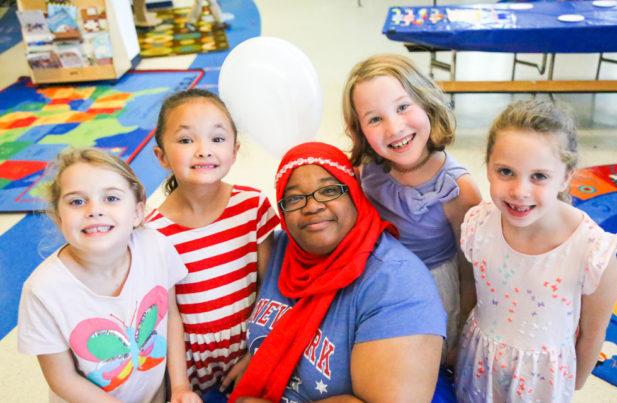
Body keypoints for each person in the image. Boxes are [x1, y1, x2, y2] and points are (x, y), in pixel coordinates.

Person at [223, 142, 447, 403]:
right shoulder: (281, 249)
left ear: (353, 193)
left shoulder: (395, 281)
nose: (312, 206)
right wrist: (262, 354)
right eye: (294, 197)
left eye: (329, 190)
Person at [455, 99, 617, 402]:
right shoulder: (478, 225)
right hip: (479, 362)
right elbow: (469, 287)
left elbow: (592, 334)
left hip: (541, 382)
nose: (520, 190)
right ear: (488, 165)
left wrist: (570, 385)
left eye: (539, 176)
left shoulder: (593, 252)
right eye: (505, 171)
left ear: (567, 176)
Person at [17, 147, 200, 403]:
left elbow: (170, 316)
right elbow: (62, 379)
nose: (94, 210)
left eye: (111, 198)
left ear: (137, 212)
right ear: (59, 219)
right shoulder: (43, 291)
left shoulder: (155, 246)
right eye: (77, 201)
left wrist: (180, 386)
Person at [342, 53, 482, 367]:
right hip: (378, 283)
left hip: (431, 292)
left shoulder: (458, 188)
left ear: (427, 103)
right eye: (374, 119)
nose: (394, 128)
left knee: (420, 367)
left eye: (403, 107)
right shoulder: (366, 169)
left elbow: (471, 271)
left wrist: (462, 331)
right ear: (360, 130)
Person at [146, 89, 279, 398]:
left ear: (234, 151)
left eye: (217, 139)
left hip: (253, 347)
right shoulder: (154, 232)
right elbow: (170, 315)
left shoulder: (253, 206)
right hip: (190, 363)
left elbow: (270, 286)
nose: (204, 150)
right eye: (185, 140)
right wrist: (179, 385)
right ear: (161, 156)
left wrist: (255, 352)